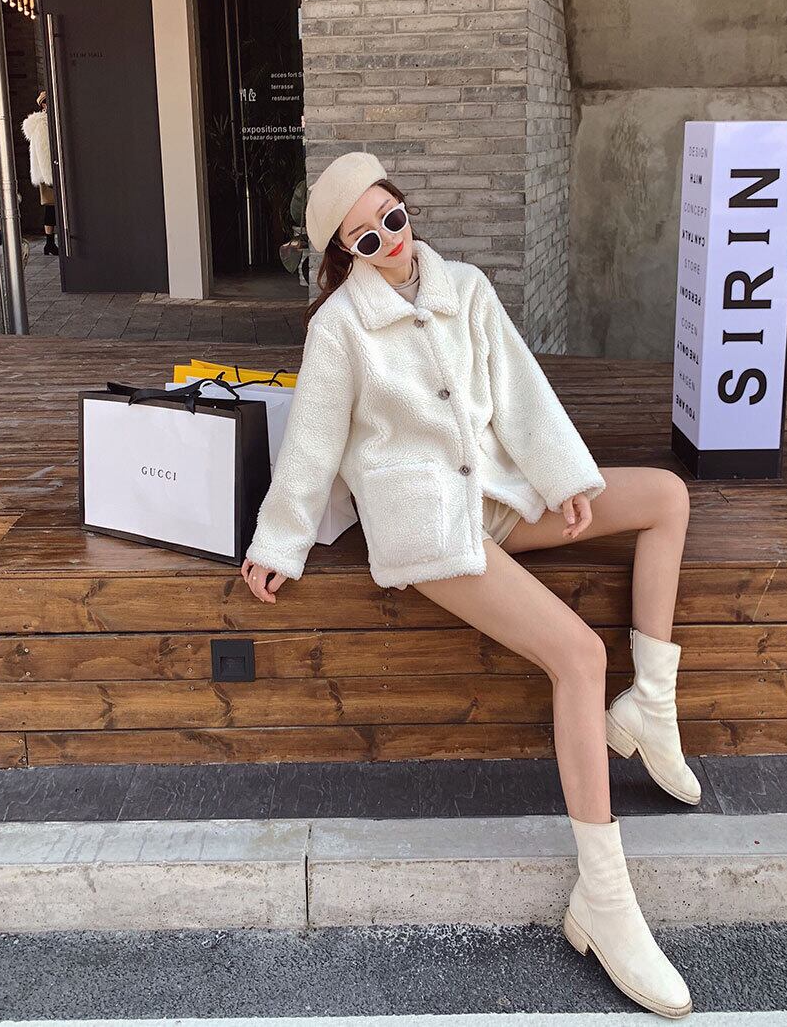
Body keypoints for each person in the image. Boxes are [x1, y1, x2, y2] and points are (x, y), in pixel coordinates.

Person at [242, 150, 696, 1019]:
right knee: (576, 655)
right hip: (427, 527)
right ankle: (603, 899)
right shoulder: (339, 327)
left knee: (665, 498)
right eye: (363, 238)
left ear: (405, 207)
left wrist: (563, 477)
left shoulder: (467, 288)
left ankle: (650, 706)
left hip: (495, 495)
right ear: (343, 252)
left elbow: (520, 391)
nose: (387, 240)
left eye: (391, 218)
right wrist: (280, 542)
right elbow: (312, 443)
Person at [21, 90, 57, 256]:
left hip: (49, 171)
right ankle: (49, 243)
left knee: (52, 208)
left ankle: (50, 244)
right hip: (47, 172)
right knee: (51, 207)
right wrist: (49, 177)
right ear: (44, 104)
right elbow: (44, 152)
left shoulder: (47, 121)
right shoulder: (42, 123)